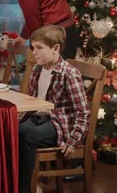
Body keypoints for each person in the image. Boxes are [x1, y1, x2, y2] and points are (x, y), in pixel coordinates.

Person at [18, 25, 89, 193]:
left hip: (58, 124)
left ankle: (24, 189)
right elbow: (33, 101)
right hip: (38, 118)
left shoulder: (69, 74)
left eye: (39, 48)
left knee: (28, 136)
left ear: (56, 48)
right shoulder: (38, 69)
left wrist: (73, 141)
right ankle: (16, 184)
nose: (34, 52)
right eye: (33, 48)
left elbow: (83, 113)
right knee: (13, 130)